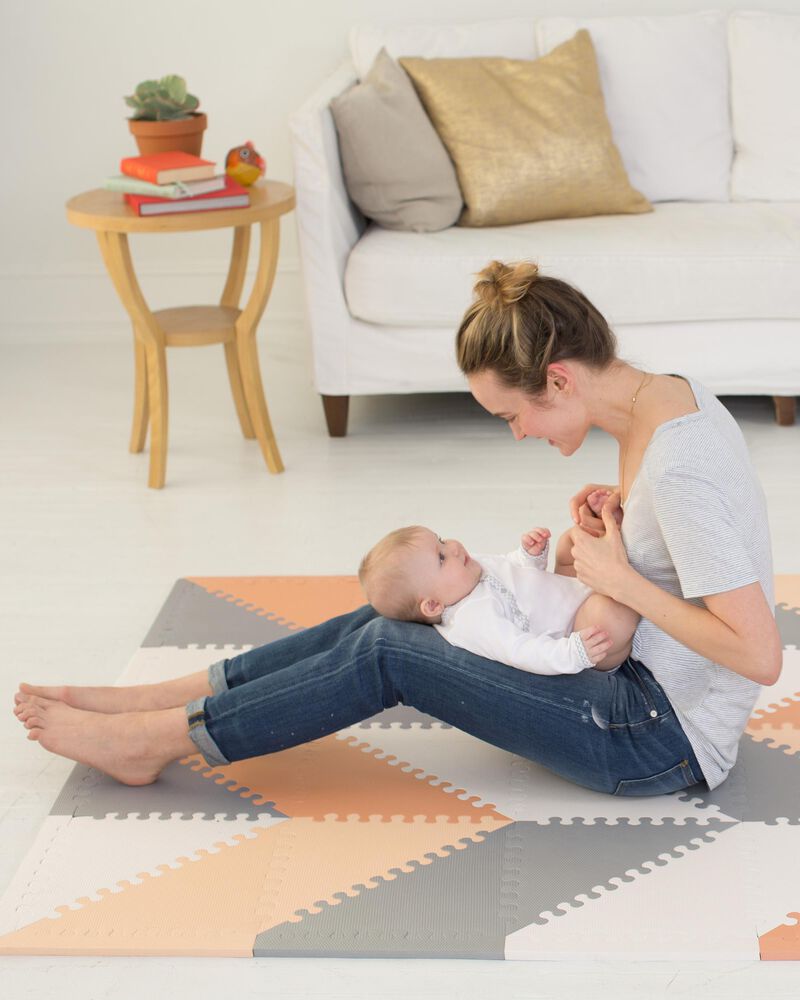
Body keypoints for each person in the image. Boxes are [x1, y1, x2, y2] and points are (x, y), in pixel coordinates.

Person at [14, 260, 782, 798]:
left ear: (558, 379)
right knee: (407, 599)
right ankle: (160, 700)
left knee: (390, 650)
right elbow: (673, 558)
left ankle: (153, 741)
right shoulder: (663, 399)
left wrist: (618, 582)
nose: (517, 433)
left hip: (655, 736)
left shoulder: (676, 461)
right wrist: (609, 533)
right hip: (616, 672)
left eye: (513, 415)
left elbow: (760, 654)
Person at [358, 513, 639, 674]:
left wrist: (530, 555)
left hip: (565, 593)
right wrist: (572, 652)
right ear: (432, 604)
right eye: (441, 558)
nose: (453, 547)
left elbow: (514, 570)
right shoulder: (472, 620)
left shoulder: (467, 570)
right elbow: (521, 652)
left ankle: (615, 565)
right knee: (614, 617)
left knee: (572, 540)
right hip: (573, 632)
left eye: (441, 540)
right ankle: (632, 585)